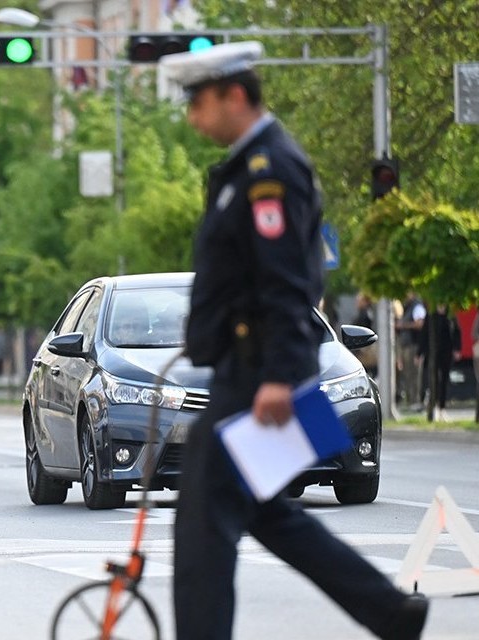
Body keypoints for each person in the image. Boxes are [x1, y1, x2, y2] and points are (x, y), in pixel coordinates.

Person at [160, 41, 427, 640]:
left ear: (235, 95)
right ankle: (390, 611)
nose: (192, 117)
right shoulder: (245, 167)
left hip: (258, 377)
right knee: (266, 515)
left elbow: (285, 282)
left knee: (204, 523)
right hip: (244, 371)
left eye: (198, 101)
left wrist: (281, 376)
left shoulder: (268, 172)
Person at [416, 304, 461, 421]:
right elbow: (424, 335)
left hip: (446, 352)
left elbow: (456, 332)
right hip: (433, 353)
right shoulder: (431, 316)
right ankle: (433, 406)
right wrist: (419, 353)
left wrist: (457, 348)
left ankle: (442, 407)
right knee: (433, 380)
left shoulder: (450, 315)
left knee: (444, 380)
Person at [396, 291, 426, 408]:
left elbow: (419, 324)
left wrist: (403, 325)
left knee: (414, 374)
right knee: (408, 373)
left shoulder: (417, 306)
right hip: (406, 345)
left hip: (413, 345)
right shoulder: (408, 307)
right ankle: (410, 401)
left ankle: (415, 401)